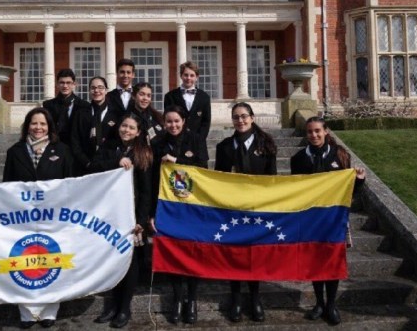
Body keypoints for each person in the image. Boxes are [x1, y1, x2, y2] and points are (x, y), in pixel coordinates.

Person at [2, 107, 74, 329]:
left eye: (43, 124)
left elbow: (71, 185)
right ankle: (26, 312)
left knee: (52, 262)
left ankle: (50, 311)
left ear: (49, 127)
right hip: (22, 218)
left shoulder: (62, 150)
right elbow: (6, 187)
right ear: (27, 126)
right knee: (24, 263)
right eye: (34, 123)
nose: (38, 128)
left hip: (53, 219)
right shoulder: (14, 151)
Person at [290, 116, 366, 326]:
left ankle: (331, 304)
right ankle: (319, 303)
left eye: (317, 131)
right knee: (315, 261)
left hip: (334, 219)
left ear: (326, 132)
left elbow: (349, 191)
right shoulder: (297, 159)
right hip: (310, 218)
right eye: (310, 132)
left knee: (332, 260)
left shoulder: (340, 156)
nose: (313, 135)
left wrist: (360, 181)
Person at [88, 113, 152, 328]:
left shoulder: (143, 153)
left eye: (131, 128)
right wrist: (116, 162)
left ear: (138, 132)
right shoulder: (108, 147)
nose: (126, 130)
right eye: (124, 125)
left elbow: (146, 191)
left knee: (130, 262)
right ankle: (113, 306)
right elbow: (93, 168)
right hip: (109, 215)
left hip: (132, 216)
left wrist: (141, 220)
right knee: (113, 260)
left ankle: (125, 308)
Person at [214, 102, 277, 323]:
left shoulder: (267, 144)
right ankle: (236, 299)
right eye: (236, 117)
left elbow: (272, 180)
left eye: (243, 116)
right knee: (235, 254)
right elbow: (218, 180)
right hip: (233, 210)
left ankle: (255, 298)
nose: (240, 121)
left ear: (252, 117)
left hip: (257, 210)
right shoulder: (223, 147)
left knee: (255, 255)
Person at [150, 105, 209, 324]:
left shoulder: (195, 139)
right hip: (167, 207)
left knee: (192, 252)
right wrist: (151, 213)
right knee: (174, 253)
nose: (173, 125)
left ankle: (191, 300)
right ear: (164, 123)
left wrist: (178, 162)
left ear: (183, 120)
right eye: (169, 122)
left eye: (176, 121)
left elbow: (203, 167)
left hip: (192, 207)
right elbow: (151, 178)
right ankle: (177, 299)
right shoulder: (157, 143)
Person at [70, 76, 120, 175]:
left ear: (106, 91)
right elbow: (74, 141)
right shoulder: (80, 114)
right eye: (93, 88)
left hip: (108, 167)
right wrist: (86, 162)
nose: (96, 90)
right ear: (89, 91)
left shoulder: (116, 114)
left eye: (100, 87)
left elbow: (118, 141)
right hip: (84, 167)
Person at [163, 61, 211, 140]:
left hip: (198, 142)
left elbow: (206, 122)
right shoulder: (170, 96)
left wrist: (199, 139)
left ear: (197, 77)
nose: (188, 78)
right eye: (186, 75)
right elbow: (168, 119)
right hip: (176, 141)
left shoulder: (204, 97)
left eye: (192, 75)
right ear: (181, 76)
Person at [42, 68, 89, 146]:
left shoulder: (84, 105)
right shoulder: (48, 105)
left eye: (68, 83)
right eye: (62, 82)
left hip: (76, 150)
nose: (65, 86)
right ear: (57, 84)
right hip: (54, 147)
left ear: (74, 84)